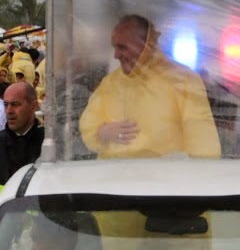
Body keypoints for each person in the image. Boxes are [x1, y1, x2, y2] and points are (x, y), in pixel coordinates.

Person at [77, 14, 220, 159]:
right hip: (114, 177)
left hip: (164, 177)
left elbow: (202, 137)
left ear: (145, 45)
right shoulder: (111, 83)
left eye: (123, 47)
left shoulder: (182, 80)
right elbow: (89, 125)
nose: (116, 55)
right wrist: (101, 133)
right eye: (115, 47)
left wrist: (201, 174)